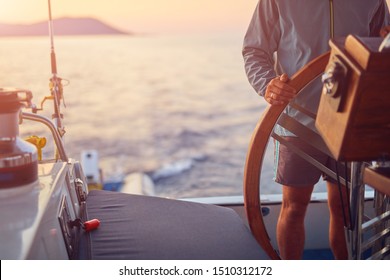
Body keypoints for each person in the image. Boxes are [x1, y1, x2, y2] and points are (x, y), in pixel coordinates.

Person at [242, 0, 390, 259]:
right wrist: (268, 84)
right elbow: (255, 50)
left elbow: (381, 48)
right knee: (294, 207)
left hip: (350, 122)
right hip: (296, 122)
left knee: (345, 211)